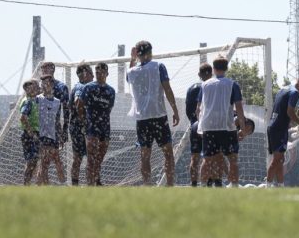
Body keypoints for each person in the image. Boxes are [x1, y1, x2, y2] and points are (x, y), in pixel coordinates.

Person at [126, 40, 180, 186]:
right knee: (168, 153)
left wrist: (132, 59)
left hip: (142, 119)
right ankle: (169, 185)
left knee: (145, 155)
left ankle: (147, 185)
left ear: (137, 54)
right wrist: (175, 110)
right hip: (158, 116)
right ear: (151, 52)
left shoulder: (132, 71)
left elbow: (129, 77)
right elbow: (167, 89)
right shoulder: (158, 66)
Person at [197, 56, 249, 188]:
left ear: (213, 69)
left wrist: (201, 127)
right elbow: (239, 108)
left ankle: (202, 186)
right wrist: (242, 128)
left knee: (207, 159)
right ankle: (234, 186)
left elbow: (198, 109)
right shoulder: (233, 84)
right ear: (226, 68)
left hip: (208, 127)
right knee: (232, 159)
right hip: (227, 127)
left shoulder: (204, 85)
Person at [265, 76, 299, 187]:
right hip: (278, 128)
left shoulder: (284, 88)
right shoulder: (294, 93)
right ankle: (267, 185)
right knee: (277, 159)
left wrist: (290, 124)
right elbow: (290, 112)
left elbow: (281, 110)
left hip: (274, 126)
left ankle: (281, 185)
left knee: (281, 159)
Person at [78, 63, 115, 186]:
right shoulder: (88, 87)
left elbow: (109, 109)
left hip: (105, 127)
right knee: (91, 158)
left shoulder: (111, 91)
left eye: (102, 72)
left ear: (107, 74)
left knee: (99, 158)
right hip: (91, 127)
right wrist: (85, 122)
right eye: (97, 72)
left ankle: (96, 181)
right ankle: (90, 185)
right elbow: (80, 106)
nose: (100, 74)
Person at [186, 63, 212, 187]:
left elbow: (188, 109)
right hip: (208, 126)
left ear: (199, 74)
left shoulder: (191, 88)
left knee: (194, 158)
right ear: (211, 73)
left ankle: (194, 184)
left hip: (194, 126)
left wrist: (193, 122)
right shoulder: (211, 87)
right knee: (210, 157)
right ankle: (208, 184)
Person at [37, 74, 66, 185]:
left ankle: (63, 184)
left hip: (53, 136)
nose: (45, 86)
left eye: (47, 83)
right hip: (42, 136)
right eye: (43, 83)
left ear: (52, 85)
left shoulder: (57, 102)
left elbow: (57, 120)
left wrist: (60, 136)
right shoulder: (38, 99)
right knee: (44, 163)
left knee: (56, 161)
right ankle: (44, 187)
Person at [69, 64, 94, 186]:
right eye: (91, 72)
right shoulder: (81, 87)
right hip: (79, 127)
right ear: (84, 74)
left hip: (79, 126)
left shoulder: (85, 86)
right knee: (80, 158)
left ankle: (85, 183)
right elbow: (77, 102)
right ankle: (80, 184)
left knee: (83, 158)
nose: (93, 75)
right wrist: (84, 122)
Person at [39, 62, 70, 148]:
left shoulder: (61, 87)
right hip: (40, 126)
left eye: (46, 69)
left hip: (55, 126)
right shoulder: (38, 87)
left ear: (53, 70)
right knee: (41, 156)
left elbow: (66, 109)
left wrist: (65, 130)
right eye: (43, 70)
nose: (44, 71)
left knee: (55, 154)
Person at [19, 79, 41, 186]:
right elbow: (23, 117)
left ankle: (31, 184)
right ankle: (26, 185)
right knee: (31, 161)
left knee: (34, 161)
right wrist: (31, 133)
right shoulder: (27, 101)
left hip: (35, 134)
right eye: (35, 86)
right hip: (30, 135)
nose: (38, 88)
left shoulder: (35, 100)